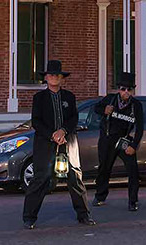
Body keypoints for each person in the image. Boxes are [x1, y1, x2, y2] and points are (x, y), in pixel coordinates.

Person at [22, 60, 94, 230]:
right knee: (40, 179)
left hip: (68, 143)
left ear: (62, 78)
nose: (54, 78)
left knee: (75, 178)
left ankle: (83, 215)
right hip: (45, 144)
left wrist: (63, 131)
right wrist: (52, 135)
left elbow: (74, 118)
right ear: (46, 78)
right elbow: (36, 122)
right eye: (51, 75)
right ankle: (29, 217)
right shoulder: (39, 98)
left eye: (57, 75)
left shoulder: (69, 97)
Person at [92, 72, 145, 211]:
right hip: (107, 139)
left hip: (124, 140)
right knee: (104, 169)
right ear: (118, 89)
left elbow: (140, 128)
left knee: (133, 170)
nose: (126, 92)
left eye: (129, 89)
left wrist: (134, 145)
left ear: (132, 90)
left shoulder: (136, 105)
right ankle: (100, 196)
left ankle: (133, 201)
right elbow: (95, 108)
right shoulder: (110, 99)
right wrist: (104, 110)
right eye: (123, 89)